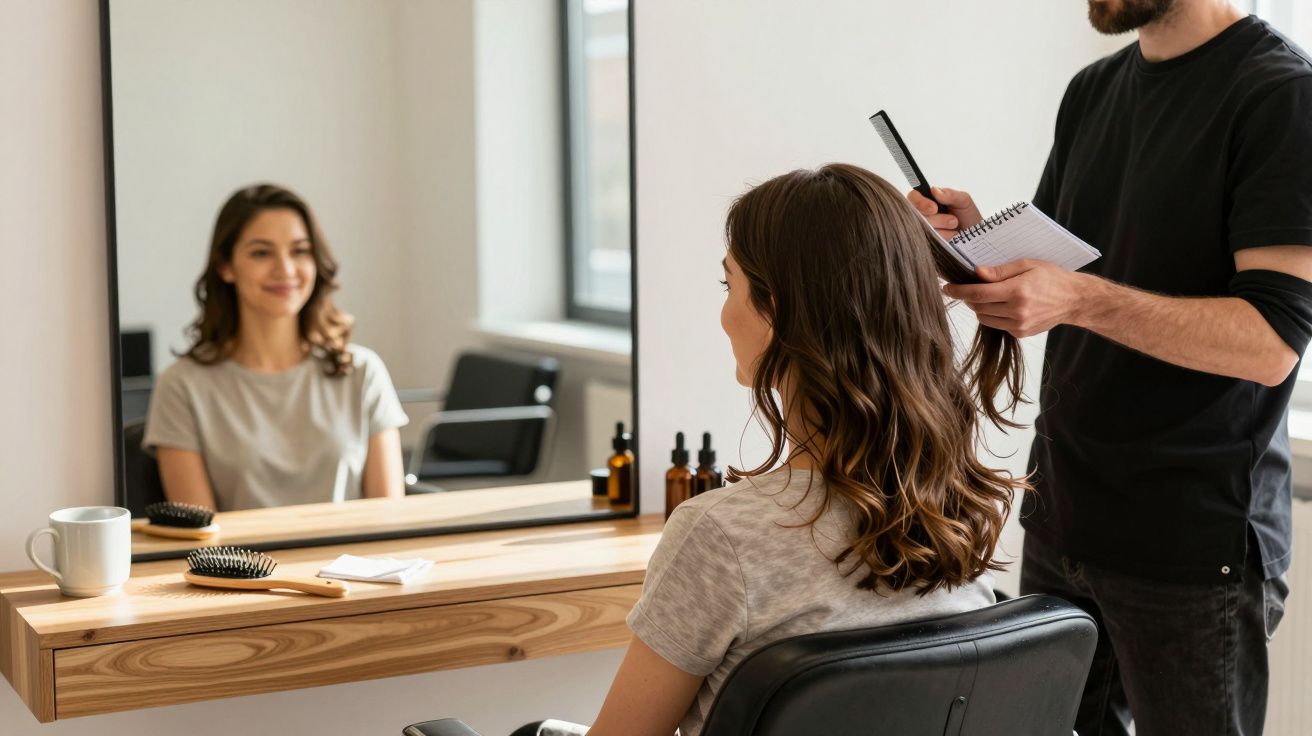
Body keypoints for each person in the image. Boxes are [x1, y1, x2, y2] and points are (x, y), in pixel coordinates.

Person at [908, 1, 1311, 733]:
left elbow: (1272, 339)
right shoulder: (1092, 91)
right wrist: (973, 245)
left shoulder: (1281, 96)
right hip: (1066, 517)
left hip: (1191, 545)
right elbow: (1070, 271)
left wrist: (1079, 300)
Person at [528, 163, 1029, 736]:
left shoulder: (720, 535)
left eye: (729, 285)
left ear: (777, 313)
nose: (724, 313)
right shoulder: (961, 508)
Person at [144, 184, 408, 511]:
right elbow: (201, 539)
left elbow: (390, 518)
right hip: (241, 563)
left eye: (299, 251)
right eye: (261, 253)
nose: (285, 269)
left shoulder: (363, 372)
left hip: (351, 562)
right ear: (226, 267)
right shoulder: (181, 386)